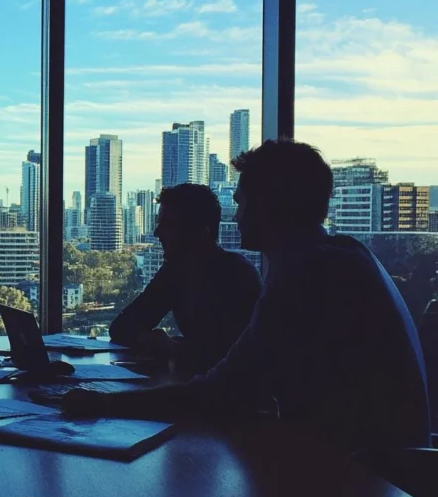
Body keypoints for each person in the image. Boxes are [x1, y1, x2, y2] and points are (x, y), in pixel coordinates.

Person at [65, 140, 431, 454]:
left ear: (272, 203)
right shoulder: (339, 255)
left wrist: (103, 402)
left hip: (366, 475)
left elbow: (223, 391)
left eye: (242, 204)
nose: (236, 217)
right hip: (371, 462)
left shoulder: (308, 273)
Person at [108, 184, 262, 373]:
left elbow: (230, 358)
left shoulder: (237, 278)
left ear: (200, 233)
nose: (157, 233)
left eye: (169, 225)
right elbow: (121, 327)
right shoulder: (175, 271)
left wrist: (169, 346)